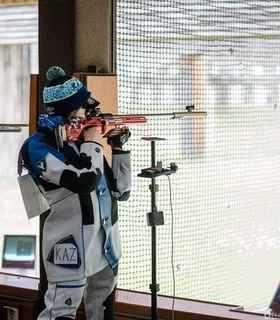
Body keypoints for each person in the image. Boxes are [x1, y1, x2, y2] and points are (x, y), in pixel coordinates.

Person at [19, 66, 131, 320]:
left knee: (103, 310)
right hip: (71, 247)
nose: (89, 115)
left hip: (106, 244)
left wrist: (119, 149)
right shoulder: (38, 147)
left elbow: (121, 192)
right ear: (67, 112)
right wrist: (92, 141)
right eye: (83, 109)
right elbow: (84, 182)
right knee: (60, 313)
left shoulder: (83, 144)